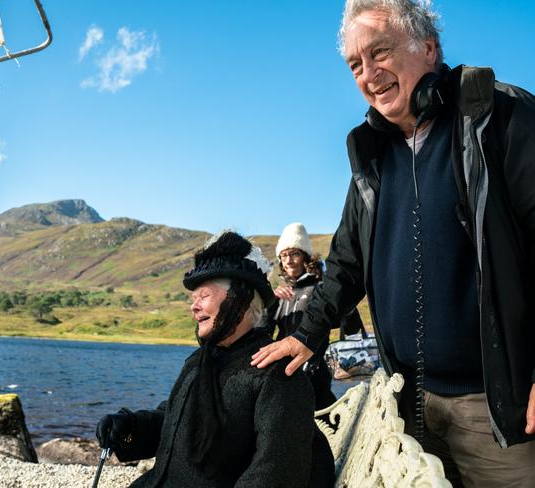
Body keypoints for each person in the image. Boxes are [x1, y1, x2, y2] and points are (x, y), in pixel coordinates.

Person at [251, 1, 535, 486]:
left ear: (428, 48)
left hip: (496, 407)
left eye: (379, 52)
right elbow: (346, 261)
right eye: (355, 65)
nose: (368, 74)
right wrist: (306, 333)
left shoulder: (499, 116)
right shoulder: (372, 153)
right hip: (407, 401)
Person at [96, 231, 334, 487]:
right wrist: (129, 428)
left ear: (240, 300)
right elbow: (174, 420)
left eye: (204, 296)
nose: (194, 306)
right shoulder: (198, 361)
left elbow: (275, 472)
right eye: (193, 298)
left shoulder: (277, 373)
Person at [266, 222, 364, 410]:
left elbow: (349, 324)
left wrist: (345, 304)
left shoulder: (320, 290)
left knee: (323, 423)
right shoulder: (281, 293)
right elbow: (266, 332)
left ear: (305, 257)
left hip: (314, 369)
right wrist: (271, 303)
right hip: (283, 372)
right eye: (284, 255)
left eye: (294, 253)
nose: (289, 260)